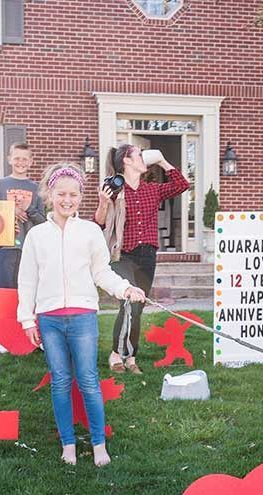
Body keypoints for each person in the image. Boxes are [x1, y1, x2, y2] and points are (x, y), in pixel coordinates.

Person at [18, 163, 146, 467]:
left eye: (73, 194)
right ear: (50, 195)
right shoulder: (37, 236)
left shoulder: (90, 232)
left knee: (88, 381)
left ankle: (99, 444)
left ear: (80, 197)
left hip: (83, 319)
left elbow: (101, 272)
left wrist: (126, 289)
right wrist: (27, 319)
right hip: (49, 320)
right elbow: (27, 279)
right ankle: (68, 444)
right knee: (60, 382)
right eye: (61, 194)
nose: (67, 200)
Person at [94, 143, 190, 374]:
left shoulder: (152, 189)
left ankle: (131, 356)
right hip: (123, 256)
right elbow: (99, 223)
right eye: (138, 153)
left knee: (138, 307)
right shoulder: (115, 189)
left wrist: (162, 161)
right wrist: (103, 202)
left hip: (147, 256)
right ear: (126, 160)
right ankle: (117, 354)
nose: (142, 157)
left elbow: (182, 185)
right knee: (128, 301)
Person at [0, 143, 46, 354]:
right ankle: (2, 337)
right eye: (17, 158)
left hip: (30, 248)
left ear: (31, 162)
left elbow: (42, 221)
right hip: (6, 246)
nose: (21, 162)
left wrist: (28, 209)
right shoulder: (0, 184)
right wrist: (9, 210)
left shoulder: (37, 188)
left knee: (30, 292)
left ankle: (34, 335)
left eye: (25, 159)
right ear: (9, 159)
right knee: (5, 291)